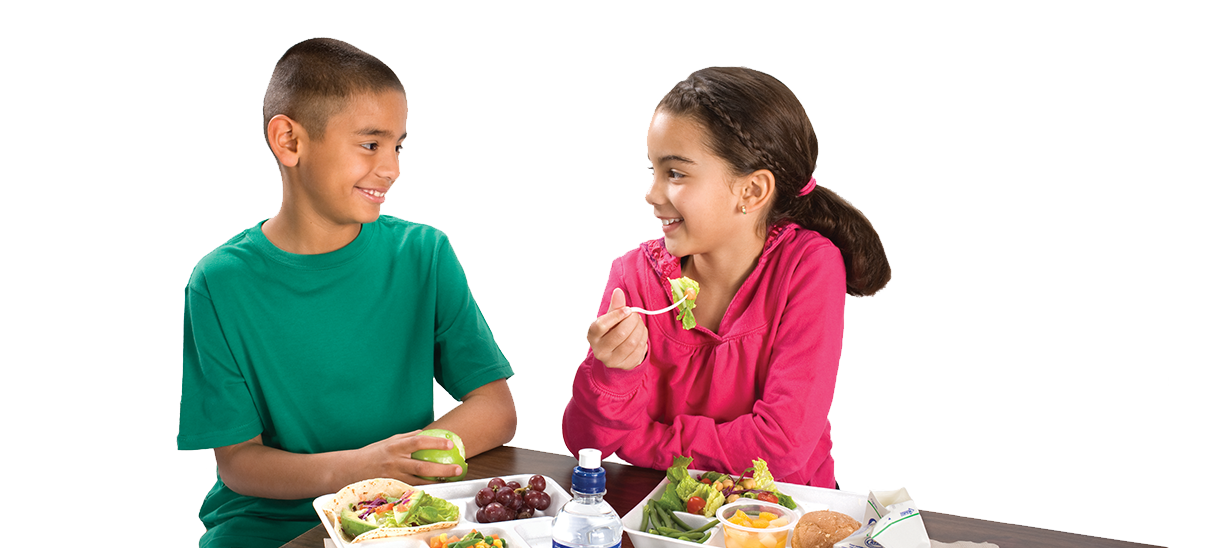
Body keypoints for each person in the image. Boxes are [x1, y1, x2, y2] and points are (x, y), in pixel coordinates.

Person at [177, 38, 518, 548]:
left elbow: (495, 407)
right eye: (370, 144)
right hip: (265, 527)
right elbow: (239, 464)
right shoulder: (219, 283)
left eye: (398, 145)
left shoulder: (424, 254)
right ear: (289, 141)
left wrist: (390, 478)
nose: (392, 168)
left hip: (398, 517)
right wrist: (361, 468)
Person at [562, 66, 890, 489]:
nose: (651, 193)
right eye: (653, 171)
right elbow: (587, 443)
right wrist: (613, 371)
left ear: (751, 191)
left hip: (780, 516)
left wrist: (647, 442)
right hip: (659, 517)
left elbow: (781, 445)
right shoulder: (633, 277)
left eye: (675, 173)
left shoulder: (809, 266)